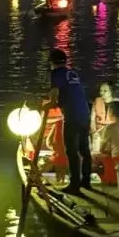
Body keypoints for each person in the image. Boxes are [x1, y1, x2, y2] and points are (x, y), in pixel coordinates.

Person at [46, 48, 92, 194]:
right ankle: (86, 181)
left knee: (71, 151)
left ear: (51, 63)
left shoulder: (56, 73)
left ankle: (74, 185)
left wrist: (49, 104)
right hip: (85, 114)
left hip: (72, 116)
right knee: (84, 150)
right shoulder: (73, 73)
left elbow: (53, 98)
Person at [91, 81, 116, 146]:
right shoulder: (97, 101)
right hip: (98, 132)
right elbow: (92, 119)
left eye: (105, 91)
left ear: (111, 92)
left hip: (111, 132)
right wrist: (94, 131)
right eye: (101, 90)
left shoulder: (117, 103)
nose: (101, 93)